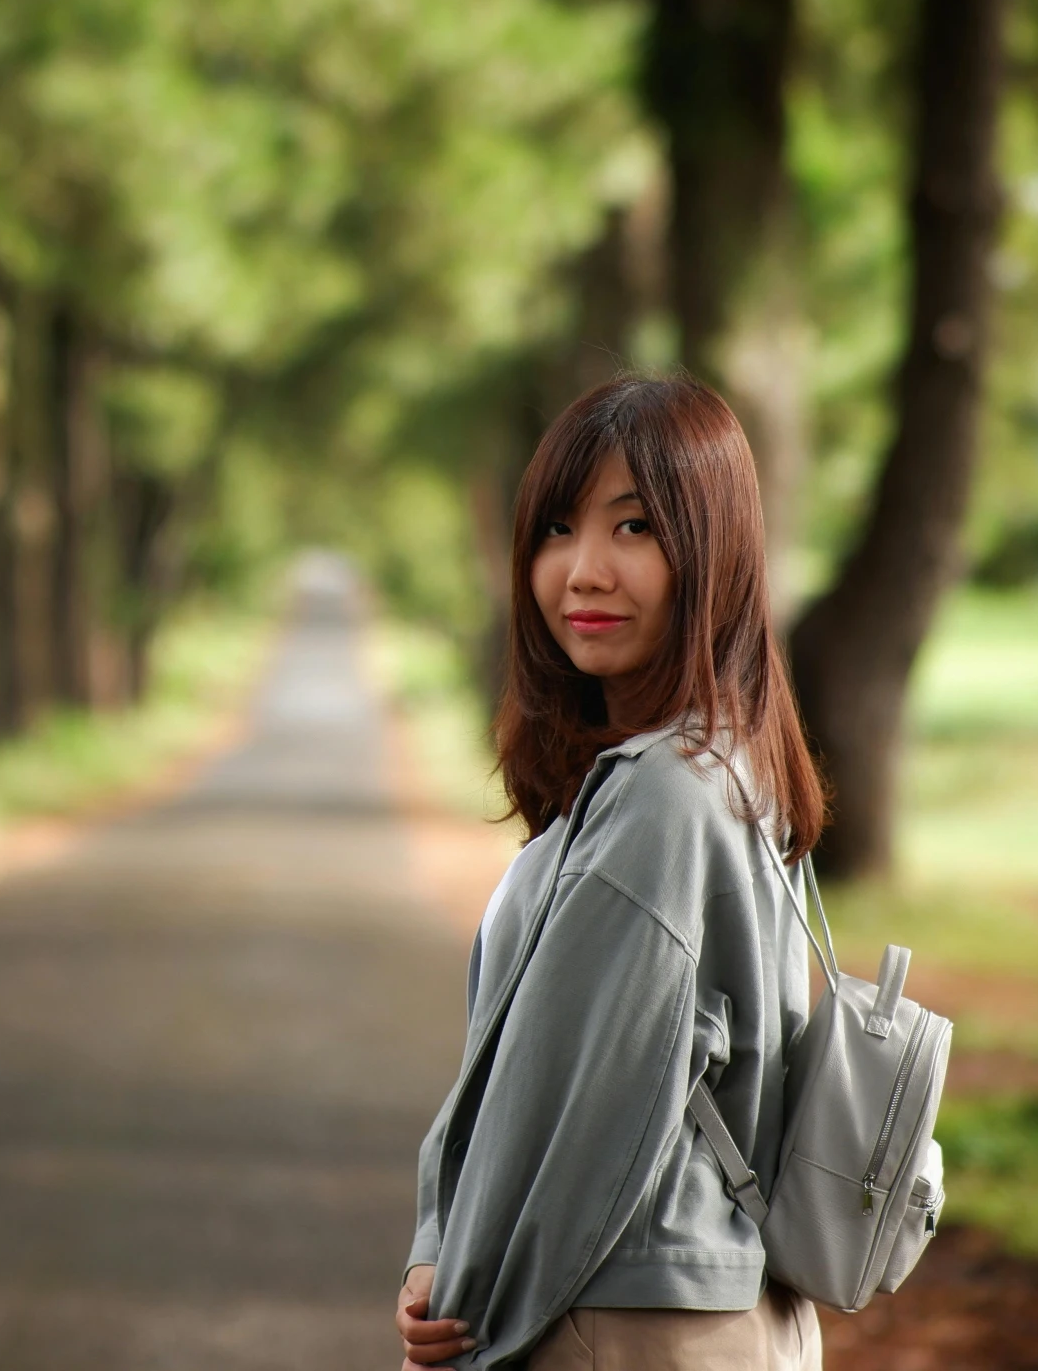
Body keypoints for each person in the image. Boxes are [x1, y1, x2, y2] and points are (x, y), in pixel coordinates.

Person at [394, 374, 826, 1371]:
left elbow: (567, 1102)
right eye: (556, 528)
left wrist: (460, 1289)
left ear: (712, 552)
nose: (582, 571)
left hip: (625, 1320)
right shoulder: (729, 763)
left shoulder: (659, 796)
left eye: (633, 528)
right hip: (715, 1308)